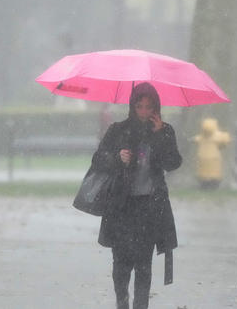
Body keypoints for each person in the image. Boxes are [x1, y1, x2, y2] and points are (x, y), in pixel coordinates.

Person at [91, 82, 182, 309]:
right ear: (132, 106)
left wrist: (160, 134)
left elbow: (173, 163)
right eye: (139, 106)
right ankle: (122, 302)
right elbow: (98, 159)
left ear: (156, 107)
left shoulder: (165, 130)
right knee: (121, 265)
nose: (143, 112)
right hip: (122, 207)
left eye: (148, 107)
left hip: (150, 208)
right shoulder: (118, 130)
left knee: (144, 265)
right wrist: (116, 156)